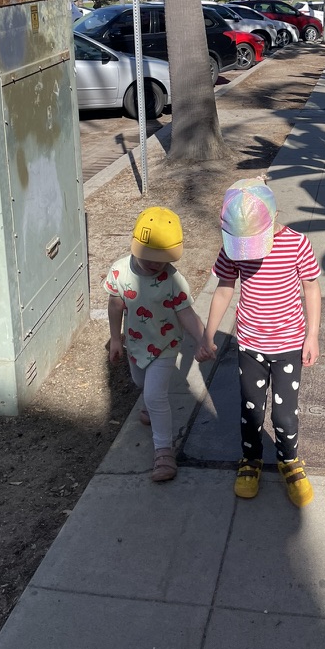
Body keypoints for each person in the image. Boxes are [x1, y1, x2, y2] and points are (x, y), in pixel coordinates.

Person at [196, 177, 322, 507]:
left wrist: (312, 335)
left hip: (289, 346)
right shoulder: (233, 246)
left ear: (274, 216)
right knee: (251, 411)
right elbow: (224, 288)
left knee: (284, 415)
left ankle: (289, 460)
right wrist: (208, 334)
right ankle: (250, 459)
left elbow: (311, 288)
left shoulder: (296, 244)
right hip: (250, 345)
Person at [105, 206, 205, 483]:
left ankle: (163, 450)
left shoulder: (173, 280)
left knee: (154, 395)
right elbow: (115, 305)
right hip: (135, 344)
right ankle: (148, 406)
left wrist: (203, 339)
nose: (157, 264)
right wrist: (116, 338)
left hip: (165, 344)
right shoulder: (119, 272)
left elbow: (185, 312)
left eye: (163, 259)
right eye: (151, 257)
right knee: (140, 382)